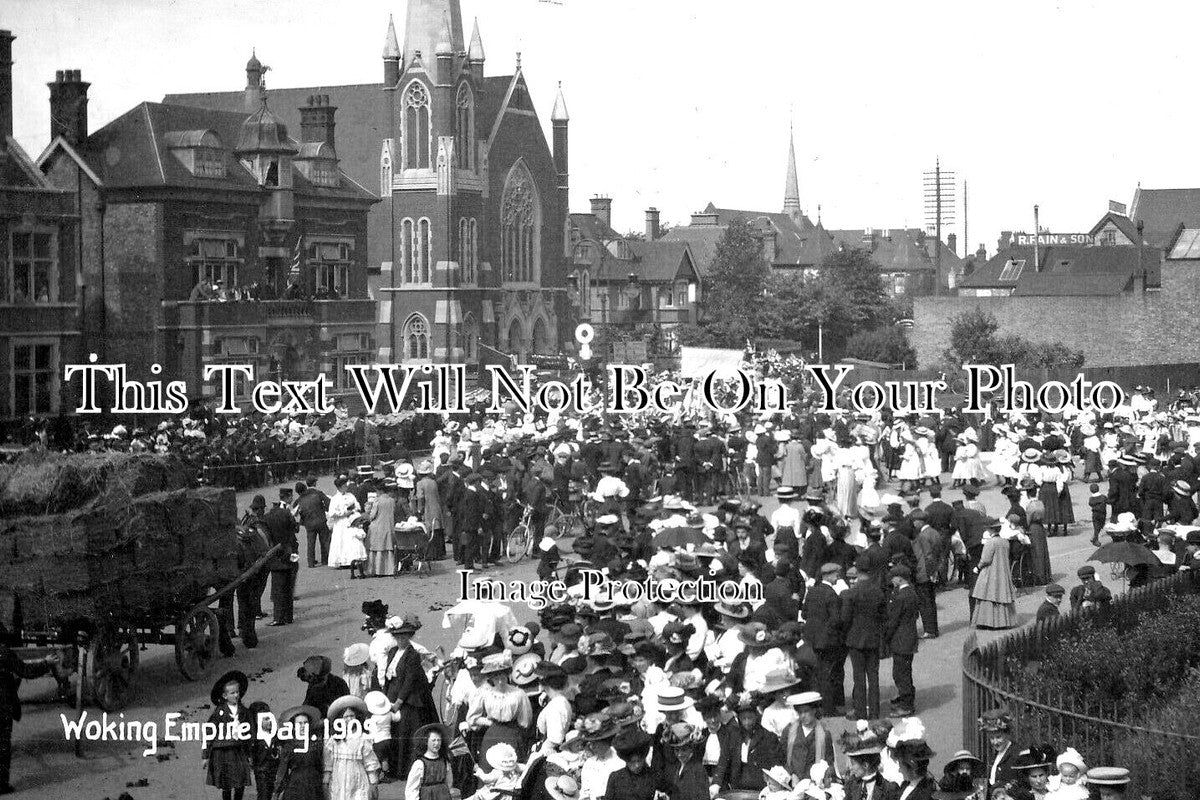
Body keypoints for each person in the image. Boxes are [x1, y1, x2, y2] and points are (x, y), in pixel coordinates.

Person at [383, 616, 439, 781]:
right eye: (398, 636)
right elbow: (388, 677)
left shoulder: (412, 654)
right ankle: (395, 769)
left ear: (409, 637)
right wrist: (386, 699)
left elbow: (409, 680)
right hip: (392, 697)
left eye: (404, 636)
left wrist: (399, 702)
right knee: (393, 732)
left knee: (406, 731)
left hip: (408, 700)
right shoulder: (393, 652)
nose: (401, 639)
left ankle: (408, 770)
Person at [0, 637, 58, 795]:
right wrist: (47, 663)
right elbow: (26, 671)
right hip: (3, 705)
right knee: (3, 745)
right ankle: (1, 785)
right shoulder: (5, 653)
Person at [842, 567, 886, 721]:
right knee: (874, 677)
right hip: (873, 639)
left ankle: (860, 712)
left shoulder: (851, 594)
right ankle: (874, 712)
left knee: (858, 678)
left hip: (855, 640)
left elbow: (845, 618)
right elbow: (883, 616)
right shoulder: (878, 592)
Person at [203, 670, 253, 800]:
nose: (236, 695)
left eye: (237, 692)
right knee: (226, 783)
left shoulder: (244, 712)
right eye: (232, 693)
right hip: (223, 752)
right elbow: (209, 733)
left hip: (239, 751)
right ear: (225, 696)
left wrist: (250, 754)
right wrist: (205, 755)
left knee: (241, 781)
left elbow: (250, 733)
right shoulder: (219, 713)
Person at [323, 695, 382, 800]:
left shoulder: (362, 738)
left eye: (352, 716)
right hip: (338, 780)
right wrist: (325, 783)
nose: (349, 719)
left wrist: (373, 783)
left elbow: (370, 762)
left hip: (358, 780)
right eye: (345, 717)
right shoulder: (333, 740)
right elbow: (328, 763)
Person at [884, 566, 919, 717]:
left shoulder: (900, 597)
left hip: (900, 639)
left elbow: (893, 620)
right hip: (909, 637)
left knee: (900, 673)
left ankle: (906, 704)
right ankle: (906, 697)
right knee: (905, 670)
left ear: (899, 578)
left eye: (893, 577)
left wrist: (885, 636)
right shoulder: (910, 592)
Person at [970, 521, 1016, 630]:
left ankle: (987, 621)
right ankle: (1002, 621)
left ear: (990, 530)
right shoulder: (1005, 542)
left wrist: (978, 567)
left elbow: (985, 559)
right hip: (1003, 571)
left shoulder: (990, 542)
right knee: (1001, 594)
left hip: (991, 571)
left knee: (988, 594)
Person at [263, 490, 300, 626]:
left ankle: (278, 618)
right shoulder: (287, 513)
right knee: (288, 588)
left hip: (276, 556)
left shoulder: (267, 517)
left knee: (278, 589)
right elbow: (295, 529)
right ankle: (288, 617)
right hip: (290, 553)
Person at [273, 705, 325, 800]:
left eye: (305, 723)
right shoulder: (289, 745)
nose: (302, 726)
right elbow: (283, 769)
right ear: (294, 727)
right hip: (295, 786)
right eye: (299, 723)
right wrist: (277, 790)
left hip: (314, 785)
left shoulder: (316, 744)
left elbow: (321, 765)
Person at [780, 691, 831, 784]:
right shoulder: (788, 731)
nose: (803, 716)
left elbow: (828, 761)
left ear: (814, 710)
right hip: (792, 782)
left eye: (806, 711)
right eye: (800, 712)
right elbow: (782, 757)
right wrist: (791, 774)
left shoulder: (824, 734)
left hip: (815, 783)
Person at [979, 708, 1021, 799]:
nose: (995, 742)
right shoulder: (995, 755)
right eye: (991, 738)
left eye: (998, 737)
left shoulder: (1016, 754)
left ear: (1007, 734)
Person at [405, 723, 453, 800]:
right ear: (426, 741)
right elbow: (412, 788)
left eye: (439, 740)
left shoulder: (444, 762)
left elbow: (449, 781)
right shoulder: (420, 764)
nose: (436, 743)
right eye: (433, 740)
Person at [327, 477, 365, 569]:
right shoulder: (335, 499)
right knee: (341, 541)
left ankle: (351, 560)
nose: (346, 487)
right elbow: (331, 513)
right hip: (340, 523)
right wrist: (343, 512)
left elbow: (357, 505)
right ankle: (341, 561)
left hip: (351, 521)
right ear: (339, 487)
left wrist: (353, 510)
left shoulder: (350, 495)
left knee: (351, 540)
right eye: (344, 486)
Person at [297, 477, 331, 568]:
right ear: (315, 483)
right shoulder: (318, 493)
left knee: (310, 542)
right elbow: (328, 503)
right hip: (321, 520)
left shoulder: (301, 497)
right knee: (324, 540)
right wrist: (325, 510)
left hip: (309, 523)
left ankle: (311, 562)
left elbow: (296, 508)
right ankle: (325, 559)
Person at [366, 481, 397, 577]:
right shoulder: (392, 500)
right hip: (389, 526)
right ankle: (388, 570)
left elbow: (372, 516)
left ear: (379, 491)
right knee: (387, 548)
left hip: (377, 526)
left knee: (377, 549)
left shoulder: (377, 501)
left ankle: (376, 570)